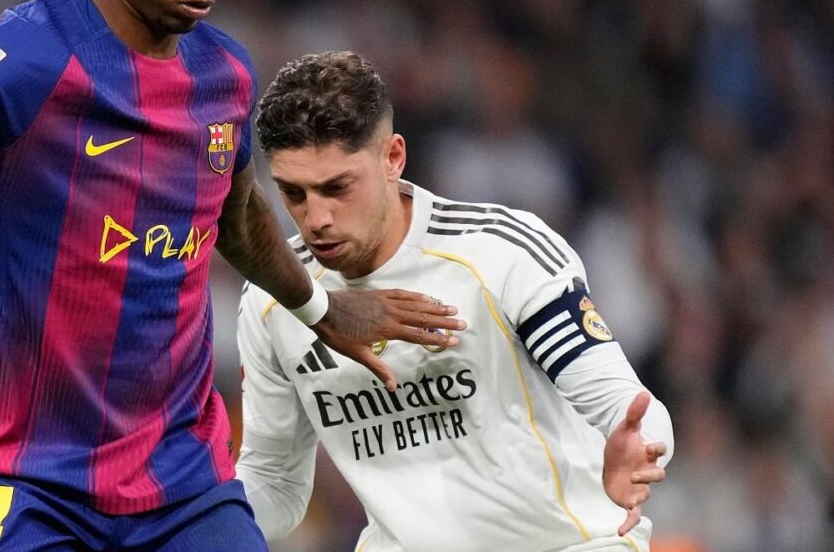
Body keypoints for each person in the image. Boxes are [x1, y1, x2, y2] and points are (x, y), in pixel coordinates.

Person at [0, 0, 464, 550]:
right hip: (24, 478)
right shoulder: (21, 58)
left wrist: (322, 310)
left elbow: (233, 215)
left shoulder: (225, 75)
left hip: (184, 483)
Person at [235, 51, 675, 552]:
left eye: (337, 188)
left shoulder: (498, 253)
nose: (316, 219)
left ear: (392, 158)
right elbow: (275, 481)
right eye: (294, 194)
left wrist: (638, 448)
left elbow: (630, 408)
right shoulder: (275, 300)